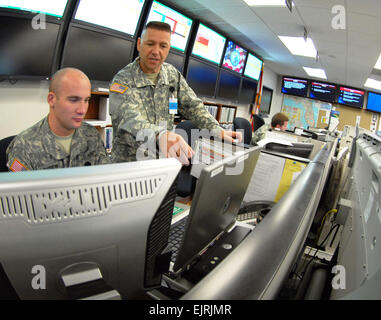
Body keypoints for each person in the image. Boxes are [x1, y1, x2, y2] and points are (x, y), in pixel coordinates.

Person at [109, 21, 242, 164]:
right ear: (139, 44)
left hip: (163, 161)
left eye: (163, 46)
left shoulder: (172, 75)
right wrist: (160, 135)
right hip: (131, 165)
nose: (156, 51)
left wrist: (215, 128)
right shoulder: (122, 80)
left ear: (168, 49)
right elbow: (128, 119)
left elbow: (193, 105)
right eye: (150, 44)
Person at [6, 68, 111, 171]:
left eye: (86, 100)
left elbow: (104, 178)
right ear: (51, 99)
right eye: (74, 100)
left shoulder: (91, 135)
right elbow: (25, 188)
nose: (82, 110)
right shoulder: (23, 147)